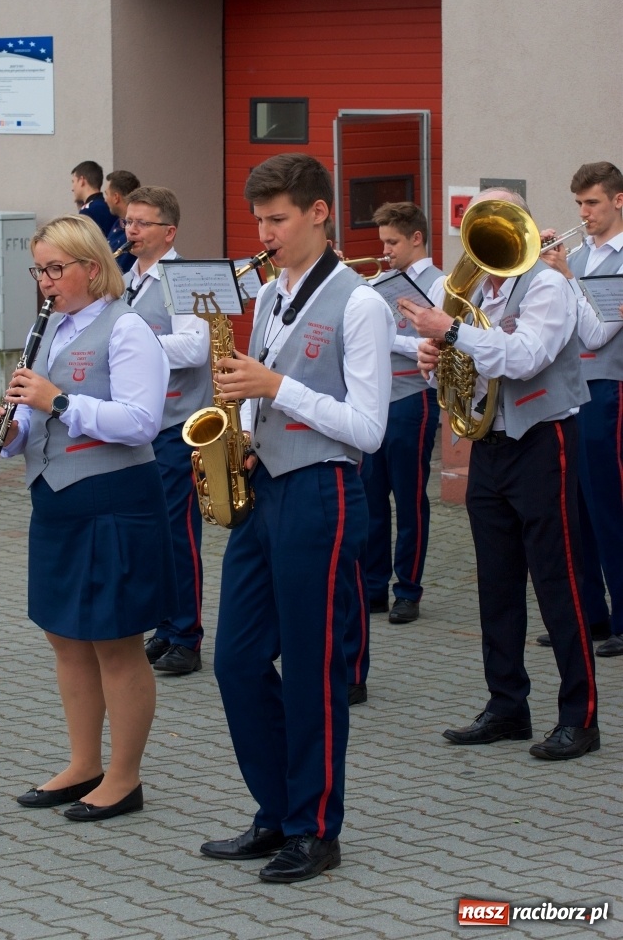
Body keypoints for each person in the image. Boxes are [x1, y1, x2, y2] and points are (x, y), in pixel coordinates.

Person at [201, 154, 394, 883]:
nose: (265, 232)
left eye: (277, 219)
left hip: (323, 492)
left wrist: (274, 386)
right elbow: (264, 380)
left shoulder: (362, 303)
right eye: (259, 219)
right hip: (268, 484)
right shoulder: (276, 292)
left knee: (313, 669)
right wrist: (247, 426)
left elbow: (368, 429)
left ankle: (316, 829)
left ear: (318, 212)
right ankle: (277, 810)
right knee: (237, 661)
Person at [399, 188, 600, 761]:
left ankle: (580, 716)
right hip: (488, 444)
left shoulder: (548, 285)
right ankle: (507, 705)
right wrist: (434, 357)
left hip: (543, 439)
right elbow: (455, 368)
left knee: (558, 578)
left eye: (492, 223)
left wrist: (454, 333)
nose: (478, 236)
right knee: (497, 580)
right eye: (472, 224)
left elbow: (526, 357)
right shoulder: (465, 291)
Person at [0, 214, 175, 821]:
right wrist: (9, 430)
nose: (45, 280)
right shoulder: (49, 331)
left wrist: (58, 399)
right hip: (57, 500)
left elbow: (142, 422)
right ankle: (82, 762)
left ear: (92, 269)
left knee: (116, 641)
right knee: (64, 634)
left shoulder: (129, 329)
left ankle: (124, 777)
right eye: (39, 268)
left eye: (56, 268)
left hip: (114, 498)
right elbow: (38, 422)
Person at [123, 186, 211, 675]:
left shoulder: (184, 279)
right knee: (150, 531)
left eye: (141, 224)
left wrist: (137, 344)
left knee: (178, 533)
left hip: (177, 425)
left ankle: (187, 635)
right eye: (129, 222)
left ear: (168, 232)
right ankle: (165, 626)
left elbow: (195, 348)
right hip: (139, 424)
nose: (130, 231)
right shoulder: (128, 278)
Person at [539, 161, 623, 658]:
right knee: (576, 511)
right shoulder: (581, 255)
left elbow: (594, 333)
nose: (584, 213)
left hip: (609, 390)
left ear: (618, 201)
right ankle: (589, 614)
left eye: (592, 203)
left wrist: (566, 276)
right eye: (579, 205)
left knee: (609, 507)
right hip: (571, 391)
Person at [361, 202, 443, 622]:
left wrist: (389, 338)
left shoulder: (441, 284)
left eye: (392, 242)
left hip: (414, 398)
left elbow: (439, 344)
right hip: (377, 399)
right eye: (382, 243)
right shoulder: (380, 283)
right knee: (372, 498)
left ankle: (407, 589)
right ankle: (373, 586)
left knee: (410, 499)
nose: (386, 251)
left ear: (416, 238)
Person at [103, 169, 139, 272]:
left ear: (116, 197)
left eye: (107, 194)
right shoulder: (117, 223)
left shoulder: (136, 232)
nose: (105, 199)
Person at [71, 160, 115, 236]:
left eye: (73, 182)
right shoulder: (109, 206)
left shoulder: (88, 210)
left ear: (81, 181)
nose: (72, 188)